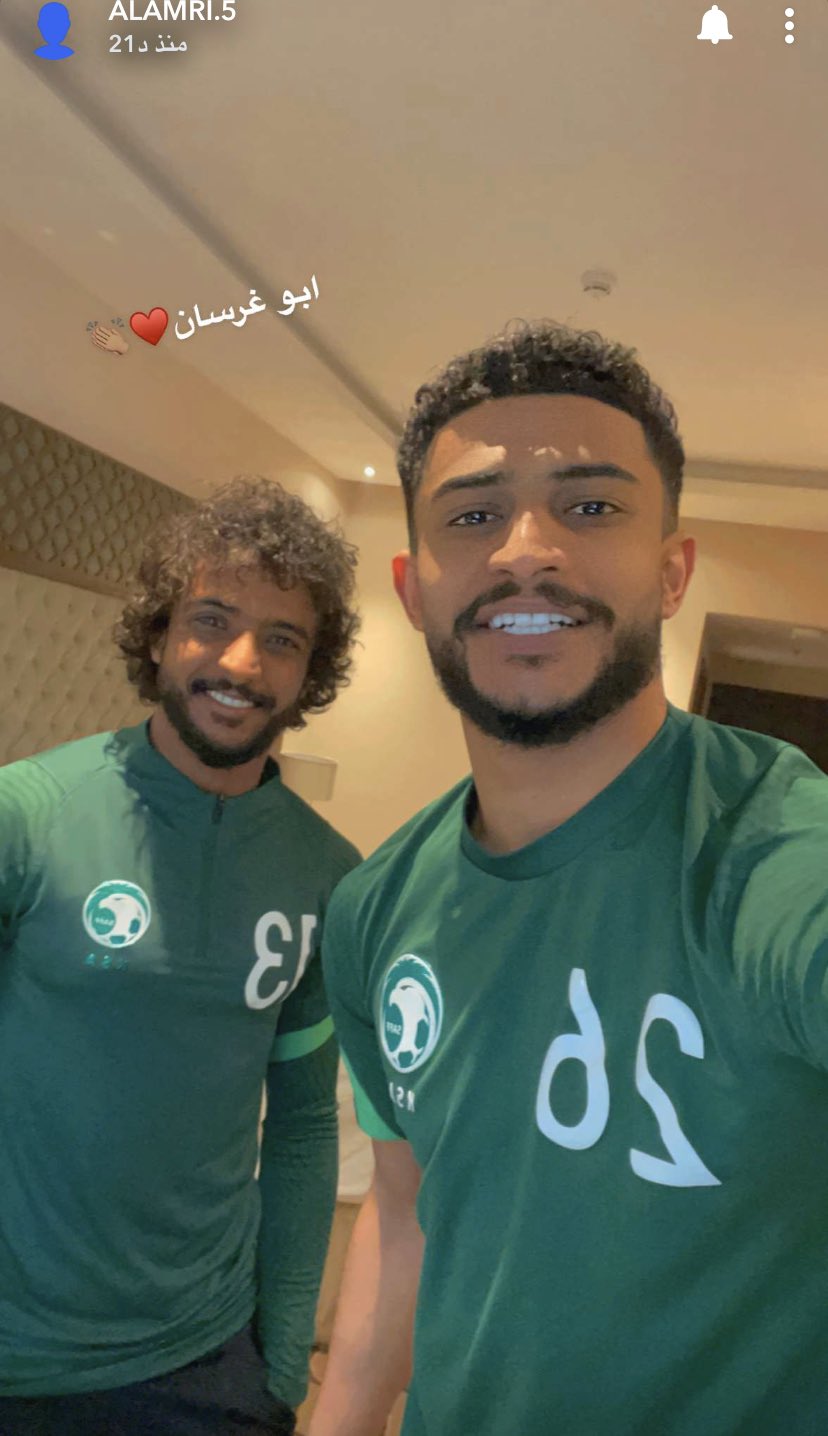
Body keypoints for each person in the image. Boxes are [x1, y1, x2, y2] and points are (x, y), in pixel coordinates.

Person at [309, 321, 828, 1436]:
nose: (525, 551)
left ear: (672, 571)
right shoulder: (371, 909)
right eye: (473, 515)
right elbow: (404, 1212)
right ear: (411, 587)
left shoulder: (774, 855)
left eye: (590, 506)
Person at [0, 477, 362, 1435]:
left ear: (311, 672)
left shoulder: (329, 876)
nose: (242, 662)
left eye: (282, 639)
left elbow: (302, 1126)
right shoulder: (26, 816)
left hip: (201, 1361)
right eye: (211, 621)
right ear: (159, 634)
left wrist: (282, 1365)